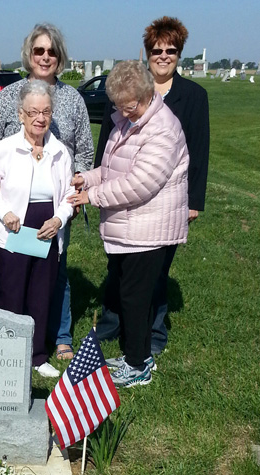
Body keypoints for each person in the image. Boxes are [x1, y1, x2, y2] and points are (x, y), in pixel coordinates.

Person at [94, 17, 210, 354]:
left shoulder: (192, 96)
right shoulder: (126, 90)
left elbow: (198, 151)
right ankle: (113, 325)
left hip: (163, 200)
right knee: (117, 270)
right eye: (156, 50)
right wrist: (98, 177)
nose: (163, 56)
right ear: (147, 54)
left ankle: (152, 336)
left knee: (154, 274)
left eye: (170, 50)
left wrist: (194, 201)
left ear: (179, 54)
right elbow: (109, 144)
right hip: (125, 199)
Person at [0, 23, 93, 361]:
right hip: (14, 206)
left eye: (51, 51)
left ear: (60, 57)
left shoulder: (72, 99)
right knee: (16, 276)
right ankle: (13, 345)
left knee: (54, 273)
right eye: (39, 51)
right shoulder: (7, 95)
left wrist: (76, 183)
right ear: (29, 55)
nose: (45, 57)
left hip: (57, 202)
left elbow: (84, 149)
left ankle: (56, 337)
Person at [71, 60, 189, 387]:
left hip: (148, 229)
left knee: (135, 298)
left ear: (148, 94)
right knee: (128, 294)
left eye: (131, 105)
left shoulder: (162, 128)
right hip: (131, 227)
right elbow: (111, 169)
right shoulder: (127, 120)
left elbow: (140, 183)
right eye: (119, 106)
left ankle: (138, 366)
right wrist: (87, 178)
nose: (125, 111)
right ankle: (135, 355)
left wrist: (91, 196)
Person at [0, 80, 74, 378]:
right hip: (14, 229)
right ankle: (9, 355)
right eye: (33, 111)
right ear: (21, 114)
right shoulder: (4, 149)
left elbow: (68, 198)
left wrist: (59, 219)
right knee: (12, 292)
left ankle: (37, 355)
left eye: (46, 111)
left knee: (41, 292)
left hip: (46, 227)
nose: (40, 118)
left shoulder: (60, 151)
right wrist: (3, 212)